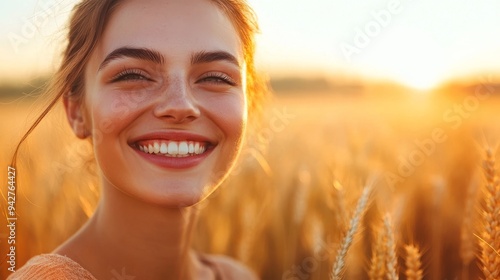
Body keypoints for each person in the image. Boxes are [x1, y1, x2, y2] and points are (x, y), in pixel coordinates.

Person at [8, 0, 264, 279]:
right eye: (132, 75)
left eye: (216, 78)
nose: (180, 105)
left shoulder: (237, 275)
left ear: (247, 103)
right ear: (77, 111)